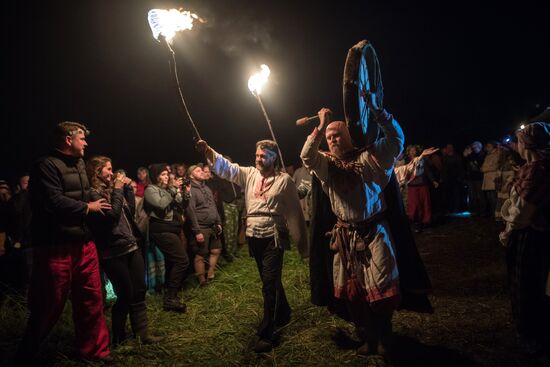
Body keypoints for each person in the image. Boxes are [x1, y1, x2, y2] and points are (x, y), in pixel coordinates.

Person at [300, 99, 404, 358]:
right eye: (329, 137)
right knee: (354, 293)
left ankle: (384, 337)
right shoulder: (326, 166)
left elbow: (396, 139)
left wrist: (379, 112)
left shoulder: (371, 157)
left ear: (349, 136)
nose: (333, 140)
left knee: (380, 291)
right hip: (345, 238)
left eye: (337, 135)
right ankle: (368, 338)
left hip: (374, 234)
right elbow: (306, 156)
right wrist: (319, 126)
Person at [196, 138, 307, 353]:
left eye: (263, 156)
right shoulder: (249, 174)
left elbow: (294, 211)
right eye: (257, 155)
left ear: (273, 158)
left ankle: (268, 333)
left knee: (268, 283)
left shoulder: (284, 180)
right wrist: (208, 151)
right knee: (270, 279)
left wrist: (302, 243)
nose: (258, 159)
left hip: (274, 235)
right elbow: (226, 168)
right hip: (254, 235)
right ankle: (283, 312)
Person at [16, 121, 112, 364]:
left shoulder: (79, 163)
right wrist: (87, 207)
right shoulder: (44, 165)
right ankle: (26, 355)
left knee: (92, 298)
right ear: (68, 139)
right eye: (82, 138)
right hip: (55, 246)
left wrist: (99, 198)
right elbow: (52, 202)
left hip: (84, 243)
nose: (86, 143)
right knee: (49, 304)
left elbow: (83, 191)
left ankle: (94, 352)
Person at [86, 156, 161, 345]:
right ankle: (118, 338)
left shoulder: (111, 189)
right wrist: (118, 189)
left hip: (130, 244)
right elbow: (112, 216)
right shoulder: (93, 193)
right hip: (112, 250)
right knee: (126, 294)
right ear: (97, 171)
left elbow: (129, 211)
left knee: (139, 290)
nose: (112, 173)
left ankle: (142, 333)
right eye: (108, 169)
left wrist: (126, 189)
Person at [500, 121, 550, 357]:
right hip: (529, 233)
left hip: (530, 236)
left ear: (526, 144)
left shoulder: (537, 171)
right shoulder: (531, 168)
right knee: (528, 285)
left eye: (519, 140)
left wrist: (508, 224)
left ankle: (531, 335)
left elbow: (522, 213)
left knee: (528, 286)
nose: (516, 145)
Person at [144, 164, 190, 313]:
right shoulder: (150, 189)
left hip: (172, 229)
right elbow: (161, 204)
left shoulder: (167, 189)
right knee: (182, 260)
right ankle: (170, 298)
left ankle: (170, 294)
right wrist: (173, 188)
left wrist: (184, 192)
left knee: (172, 262)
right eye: (163, 174)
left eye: (167, 174)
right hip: (162, 231)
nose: (167, 177)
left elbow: (182, 205)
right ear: (156, 176)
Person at [185, 164, 223, 286]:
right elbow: (190, 211)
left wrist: (218, 222)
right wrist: (197, 231)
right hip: (201, 227)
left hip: (213, 226)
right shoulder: (190, 190)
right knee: (200, 254)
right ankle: (202, 280)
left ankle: (210, 274)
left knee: (216, 250)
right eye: (198, 170)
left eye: (202, 170)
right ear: (191, 175)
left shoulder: (206, 189)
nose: (201, 172)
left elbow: (213, 206)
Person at [481, 141, 502, 218]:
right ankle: (493, 213)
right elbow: (483, 166)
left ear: (493, 146)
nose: (487, 147)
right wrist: (484, 168)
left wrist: (484, 169)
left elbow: (496, 166)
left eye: (489, 146)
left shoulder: (496, 154)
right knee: (490, 198)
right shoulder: (488, 155)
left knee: (494, 198)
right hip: (487, 179)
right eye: (487, 146)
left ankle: (496, 214)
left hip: (492, 179)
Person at [463, 141, 485, 215]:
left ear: (480, 147)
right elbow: (465, 165)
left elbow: (478, 164)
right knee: (472, 195)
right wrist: (465, 156)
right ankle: (475, 210)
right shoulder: (471, 155)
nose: (474, 148)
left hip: (479, 178)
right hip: (471, 178)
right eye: (473, 147)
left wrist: (469, 155)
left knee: (480, 195)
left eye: (475, 146)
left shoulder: (481, 155)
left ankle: (483, 210)